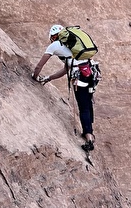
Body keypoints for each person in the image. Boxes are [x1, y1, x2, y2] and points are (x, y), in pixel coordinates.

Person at [31, 24, 99, 152]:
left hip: (79, 78)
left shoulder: (54, 46)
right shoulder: (74, 48)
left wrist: (35, 77)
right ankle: (90, 130)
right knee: (87, 103)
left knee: (83, 107)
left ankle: (89, 137)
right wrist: (49, 78)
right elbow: (65, 70)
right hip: (91, 73)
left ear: (53, 36)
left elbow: (39, 66)